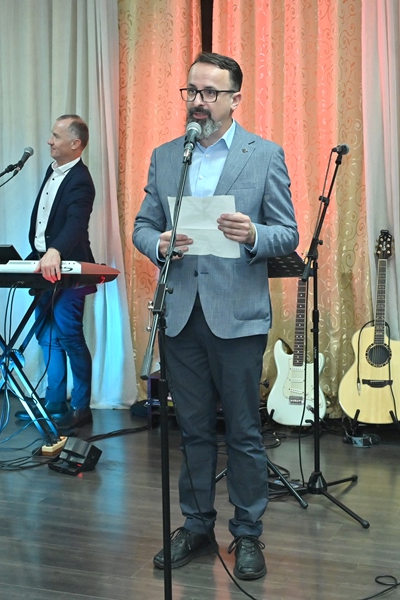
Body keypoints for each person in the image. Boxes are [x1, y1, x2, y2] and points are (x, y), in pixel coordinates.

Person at [132, 52, 299, 580]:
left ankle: (247, 533)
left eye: (209, 93)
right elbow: (142, 226)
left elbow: (287, 233)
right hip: (181, 313)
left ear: (234, 99)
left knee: (244, 432)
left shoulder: (264, 155)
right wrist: (157, 244)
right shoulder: (167, 156)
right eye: (192, 92)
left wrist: (254, 235)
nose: (198, 102)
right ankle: (196, 526)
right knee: (193, 430)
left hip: (238, 316)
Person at [14, 114, 96, 435]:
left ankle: (81, 407)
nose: (49, 141)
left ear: (75, 143)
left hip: (69, 271)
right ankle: (54, 403)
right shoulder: (52, 170)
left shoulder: (81, 180)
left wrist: (56, 250)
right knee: (46, 335)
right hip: (42, 268)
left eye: (56, 136)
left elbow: (76, 223)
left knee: (69, 335)